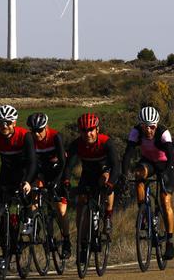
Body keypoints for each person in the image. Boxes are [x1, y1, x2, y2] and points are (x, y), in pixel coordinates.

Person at [0, 104, 36, 271]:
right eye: (1, 122)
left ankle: (28, 216)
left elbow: (33, 162)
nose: (4, 126)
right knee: (2, 213)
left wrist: (28, 181)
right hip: (7, 172)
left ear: (14, 122)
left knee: (25, 194)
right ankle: (5, 253)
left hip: (25, 170)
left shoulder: (25, 136)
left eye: (8, 122)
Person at [122, 106, 174, 261]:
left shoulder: (163, 133)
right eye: (145, 126)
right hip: (148, 163)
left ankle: (170, 241)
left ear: (156, 125)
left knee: (165, 201)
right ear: (140, 125)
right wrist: (124, 175)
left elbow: (172, 159)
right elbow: (128, 154)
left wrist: (166, 175)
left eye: (152, 126)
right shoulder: (135, 132)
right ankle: (144, 213)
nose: (149, 130)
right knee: (139, 173)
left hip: (165, 164)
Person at [65, 112, 120, 264]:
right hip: (87, 174)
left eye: (91, 130)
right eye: (84, 130)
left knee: (105, 180)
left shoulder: (106, 142)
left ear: (97, 129)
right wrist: (66, 181)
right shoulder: (77, 144)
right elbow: (69, 166)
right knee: (82, 207)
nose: (88, 133)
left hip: (104, 172)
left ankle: (107, 216)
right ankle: (83, 245)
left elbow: (116, 165)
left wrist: (111, 183)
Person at [27, 112, 70, 258]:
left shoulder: (55, 137)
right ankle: (34, 223)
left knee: (60, 208)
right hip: (42, 171)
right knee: (35, 189)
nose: (37, 134)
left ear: (46, 127)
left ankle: (66, 240)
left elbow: (63, 163)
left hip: (58, 171)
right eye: (33, 131)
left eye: (39, 130)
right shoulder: (30, 139)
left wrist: (57, 182)